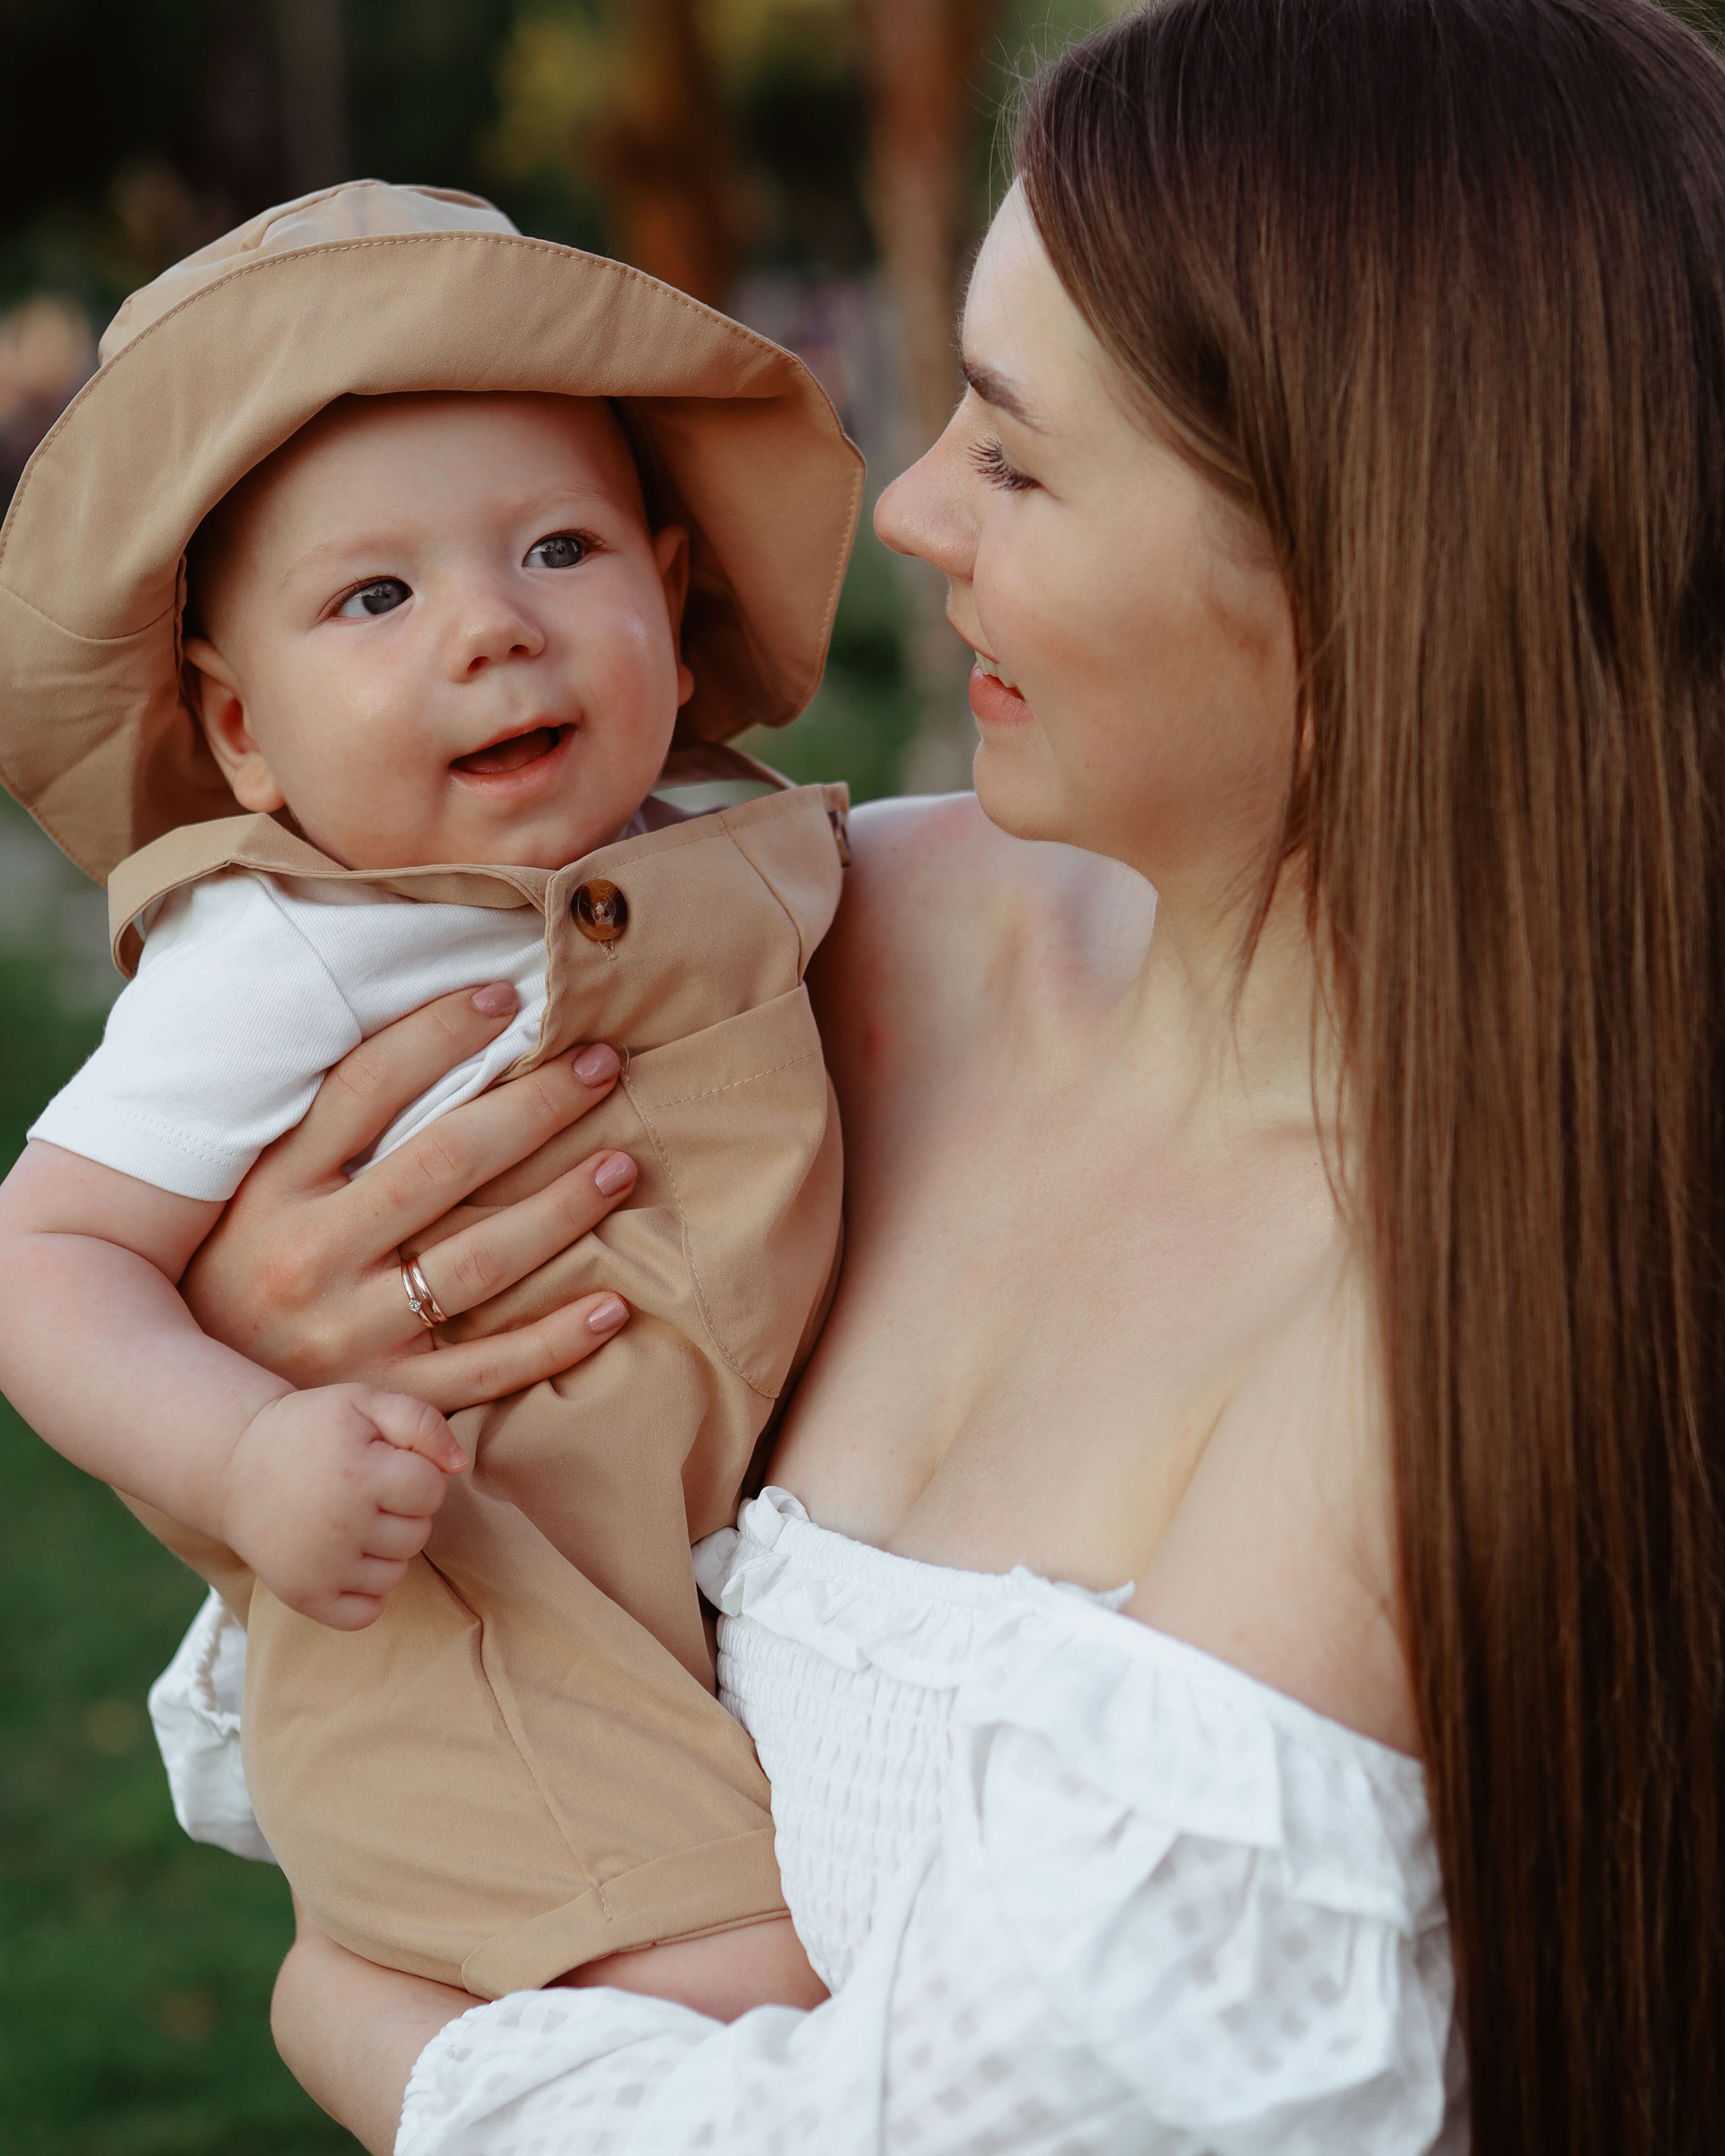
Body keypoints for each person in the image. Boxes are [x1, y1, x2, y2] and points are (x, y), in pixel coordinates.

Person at [82, 0, 1725, 2147]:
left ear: (1375, 559)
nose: (918, 509)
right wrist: (250, 1370)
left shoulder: (1488, 1282)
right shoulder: (777, 949)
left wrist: (373, 2036)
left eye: (1021, 456)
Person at [0, 181, 865, 2015]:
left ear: (671, 585)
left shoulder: (733, 849)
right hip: (459, 1615)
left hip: (685, 1590)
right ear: (241, 730)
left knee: (852, 1946)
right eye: (376, 595)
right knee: (756, 2002)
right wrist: (242, 1453)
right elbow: (45, 1253)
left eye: (557, 551)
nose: (492, 629)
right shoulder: (295, 946)